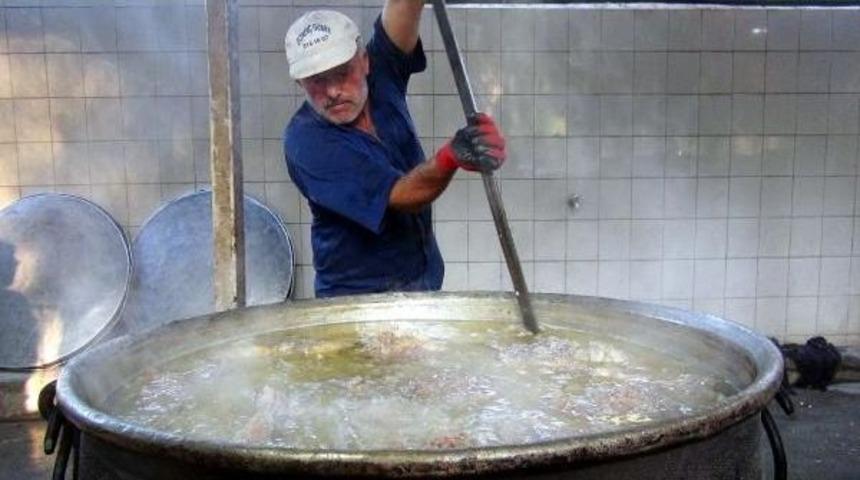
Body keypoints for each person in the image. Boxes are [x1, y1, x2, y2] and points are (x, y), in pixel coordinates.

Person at [283, 0, 506, 298]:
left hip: (422, 280)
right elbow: (402, 196)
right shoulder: (306, 141)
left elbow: (403, 7)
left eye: (341, 73)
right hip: (356, 300)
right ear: (300, 83)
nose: (333, 91)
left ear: (365, 61)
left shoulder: (381, 76)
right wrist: (451, 156)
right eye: (317, 81)